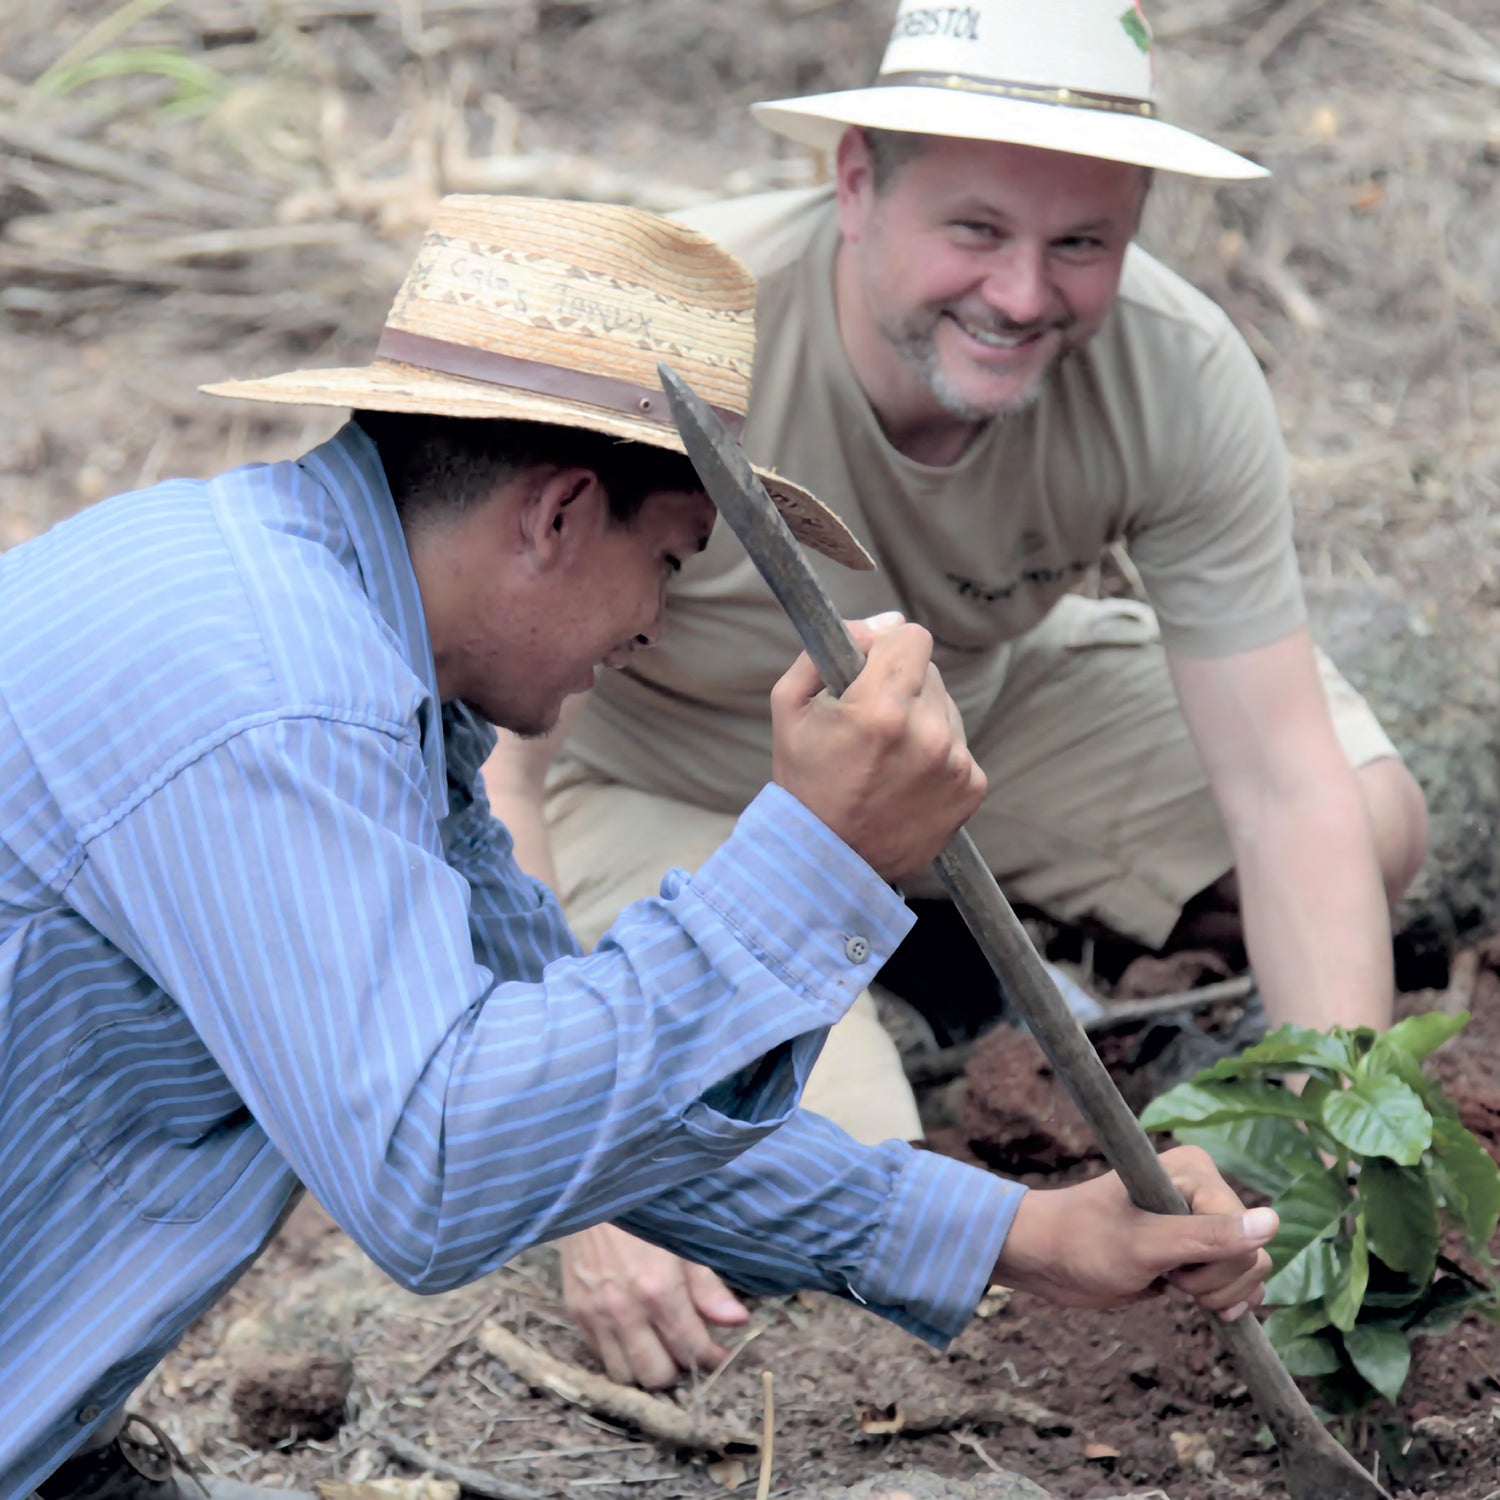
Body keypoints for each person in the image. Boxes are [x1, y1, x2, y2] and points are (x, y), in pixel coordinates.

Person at [3, 193, 1276, 1500]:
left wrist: (1022, 1234)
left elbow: (572, 1091)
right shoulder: (276, 687)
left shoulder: (345, 651)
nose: (659, 623)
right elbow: (435, 1173)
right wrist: (812, 861)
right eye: (670, 561)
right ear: (557, 516)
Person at [483, 0, 1429, 1391]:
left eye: (1083, 244)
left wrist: (1339, 1155)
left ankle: (918, 944)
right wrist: (577, 1163)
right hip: (670, 773)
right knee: (827, 1180)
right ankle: (901, 981)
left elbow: (1281, 777)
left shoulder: (1174, 369)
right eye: (977, 230)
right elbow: (492, 759)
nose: (1026, 295)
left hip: (966, 714)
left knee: (1369, 820)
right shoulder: (670, 335)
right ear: (855, 180)